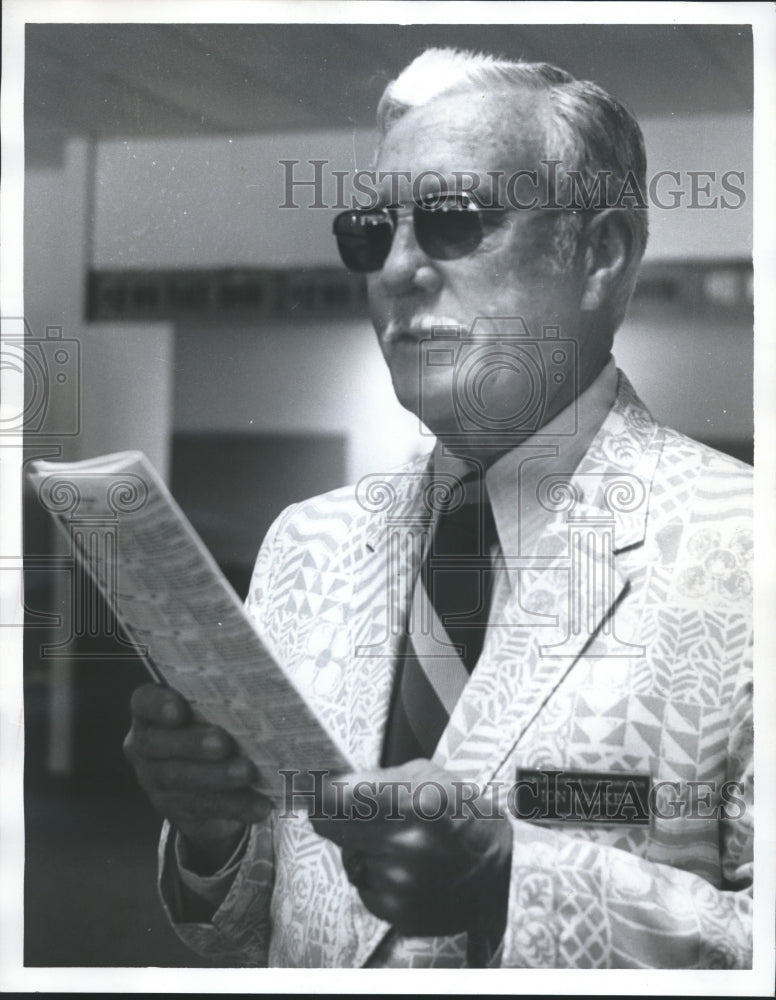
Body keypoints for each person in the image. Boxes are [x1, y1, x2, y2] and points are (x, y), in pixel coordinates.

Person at [124, 49, 753, 968]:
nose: (400, 269)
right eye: (372, 234)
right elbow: (257, 928)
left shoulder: (746, 550)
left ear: (600, 252)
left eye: (457, 221)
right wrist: (212, 835)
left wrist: (513, 884)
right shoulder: (309, 545)